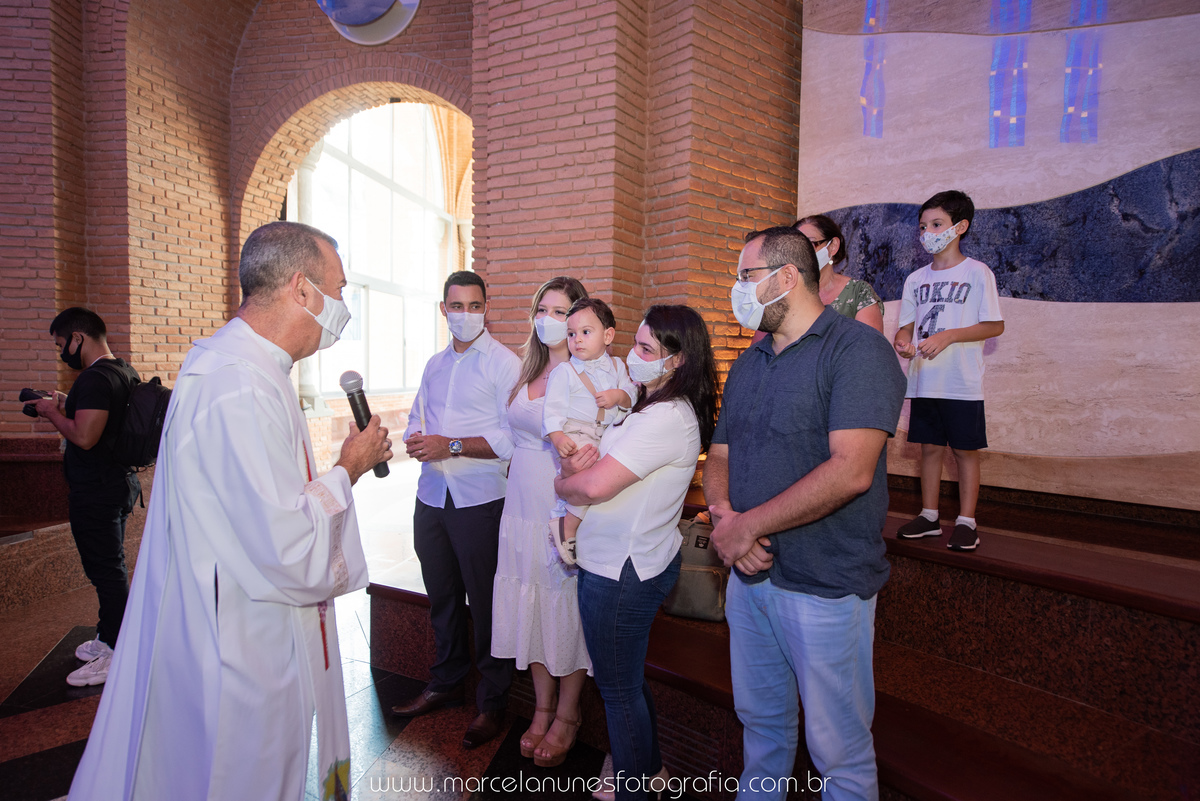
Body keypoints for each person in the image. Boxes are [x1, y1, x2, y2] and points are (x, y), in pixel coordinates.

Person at [68, 221, 392, 801]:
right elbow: (284, 542)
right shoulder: (238, 384)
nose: (344, 306)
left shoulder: (243, 366)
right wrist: (349, 469)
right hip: (241, 637)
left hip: (231, 607)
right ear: (301, 289)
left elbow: (258, 501)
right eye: (339, 290)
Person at [707, 226, 906, 801]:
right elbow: (720, 454)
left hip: (825, 584)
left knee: (837, 750)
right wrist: (724, 516)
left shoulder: (857, 350)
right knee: (762, 726)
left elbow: (851, 470)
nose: (737, 290)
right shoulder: (749, 362)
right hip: (751, 577)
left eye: (746, 277)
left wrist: (750, 525)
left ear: (787, 277)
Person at [555, 305, 718, 801]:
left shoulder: (668, 416)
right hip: (620, 559)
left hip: (622, 570)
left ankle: (634, 789)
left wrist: (565, 482)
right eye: (637, 343)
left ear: (676, 361)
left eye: (648, 349)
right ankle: (648, 770)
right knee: (624, 677)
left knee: (617, 690)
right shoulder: (650, 406)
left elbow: (598, 485)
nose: (634, 355)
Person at [393, 270, 521, 750]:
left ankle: (492, 703)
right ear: (442, 309)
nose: (465, 314)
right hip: (431, 498)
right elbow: (417, 417)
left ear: (487, 308)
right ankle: (446, 683)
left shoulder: (505, 364)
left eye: (474, 306)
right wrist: (415, 438)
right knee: (442, 596)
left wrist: (450, 444)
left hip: (480, 500)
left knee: (486, 604)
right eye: (456, 306)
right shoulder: (434, 364)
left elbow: (512, 440)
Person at [491, 276, 595, 769]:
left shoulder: (584, 372)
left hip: (559, 501)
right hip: (519, 503)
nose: (550, 320)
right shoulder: (528, 366)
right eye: (544, 310)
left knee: (564, 605)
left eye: (561, 312)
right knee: (528, 597)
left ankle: (569, 713)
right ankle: (543, 706)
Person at [27, 308, 142, 688]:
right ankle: (109, 635)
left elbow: (85, 436)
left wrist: (49, 412)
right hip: (118, 485)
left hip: (97, 491)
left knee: (106, 572)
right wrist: (65, 402)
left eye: (62, 344)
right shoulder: (122, 370)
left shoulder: (93, 379)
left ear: (78, 337)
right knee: (110, 567)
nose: (62, 352)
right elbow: (105, 423)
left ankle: (115, 649)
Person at [892, 190, 1005, 552]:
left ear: (960, 227)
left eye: (937, 224)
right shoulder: (915, 279)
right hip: (925, 379)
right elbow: (906, 326)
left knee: (965, 451)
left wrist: (951, 335)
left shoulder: (976, 273)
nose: (928, 232)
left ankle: (967, 521)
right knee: (929, 448)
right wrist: (902, 341)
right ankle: (929, 516)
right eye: (923, 226)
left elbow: (994, 325)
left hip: (961, 382)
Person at [543, 297, 636, 566]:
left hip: (607, 432)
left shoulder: (618, 366)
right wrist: (558, 437)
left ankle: (589, 532)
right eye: (571, 334)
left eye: (585, 332)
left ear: (608, 335)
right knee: (588, 476)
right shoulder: (566, 371)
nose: (577, 340)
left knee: (612, 475)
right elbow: (552, 411)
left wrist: (619, 395)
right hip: (577, 432)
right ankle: (567, 525)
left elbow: (632, 395)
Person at [794, 214, 884, 334]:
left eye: (810, 244)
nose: (802, 253)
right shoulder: (784, 295)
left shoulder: (858, 293)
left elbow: (871, 347)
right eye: (796, 247)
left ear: (832, 246)